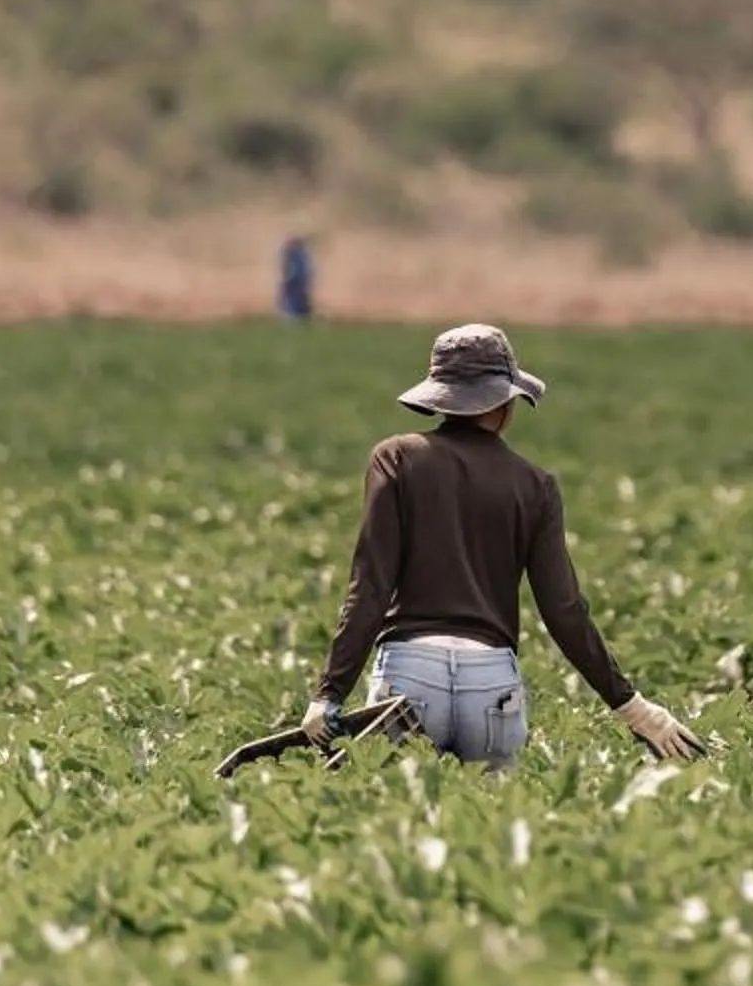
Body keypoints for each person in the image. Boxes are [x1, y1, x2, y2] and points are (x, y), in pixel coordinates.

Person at [301, 323, 705, 770]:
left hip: (408, 684)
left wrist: (329, 694)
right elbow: (564, 610)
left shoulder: (395, 458)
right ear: (505, 401)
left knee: (398, 821)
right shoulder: (535, 486)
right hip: (490, 687)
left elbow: (370, 587)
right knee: (488, 827)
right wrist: (633, 707)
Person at [276, 235, 314, 323]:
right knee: (296, 300)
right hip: (296, 281)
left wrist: (288, 280)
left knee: (295, 301)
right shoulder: (297, 254)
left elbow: (295, 270)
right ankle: (298, 318)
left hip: (296, 281)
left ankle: (295, 319)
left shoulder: (296, 255)